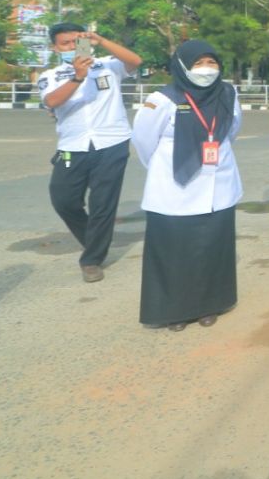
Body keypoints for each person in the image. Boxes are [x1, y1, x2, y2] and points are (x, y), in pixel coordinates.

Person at [132, 40, 243, 331]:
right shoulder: (162, 99)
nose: (206, 69)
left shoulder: (228, 94)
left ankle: (210, 304)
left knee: (212, 248)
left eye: (212, 62)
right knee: (175, 252)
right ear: (182, 66)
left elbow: (231, 131)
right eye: (198, 63)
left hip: (217, 186)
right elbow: (144, 142)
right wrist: (164, 169)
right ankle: (175, 311)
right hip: (173, 189)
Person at [36, 22, 142, 283]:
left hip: (111, 143)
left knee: (102, 203)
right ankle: (94, 239)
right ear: (55, 47)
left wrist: (101, 40)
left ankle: (92, 259)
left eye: (76, 41)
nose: (72, 47)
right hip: (72, 147)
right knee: (63, 199)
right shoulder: (51, 75)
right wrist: (77, 77)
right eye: (65, 43)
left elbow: (135, 60)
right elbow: (51, 101)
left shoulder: (107, 64)